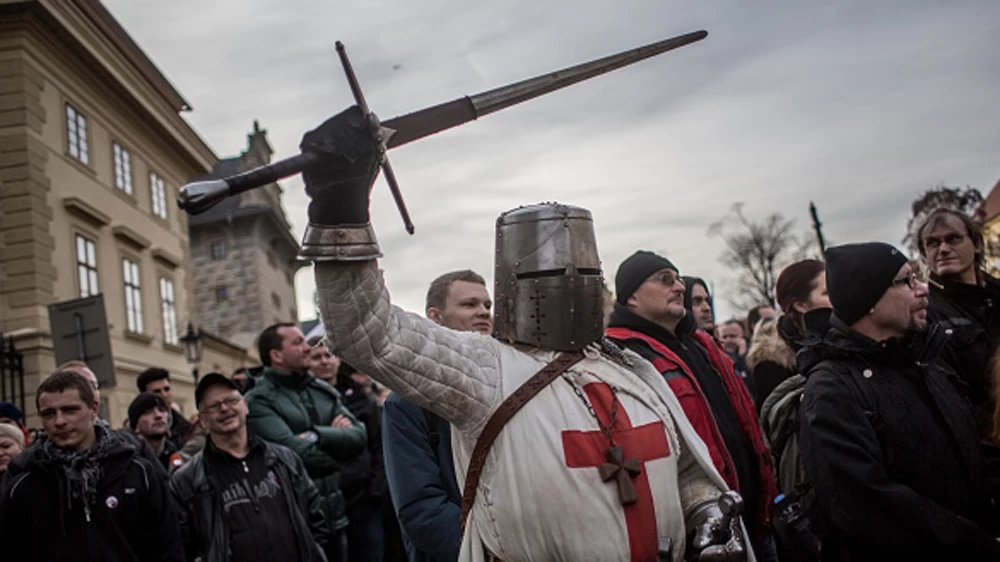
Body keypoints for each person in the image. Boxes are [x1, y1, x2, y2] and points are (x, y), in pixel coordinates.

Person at [299, 107, 748, 562]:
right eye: (553, 271)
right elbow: (367, 333)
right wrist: (343, 205)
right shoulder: (483, 368)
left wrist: (705, 513)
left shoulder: (632, 369)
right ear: (516, 282)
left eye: (587, 271)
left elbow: (688, 471)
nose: (572, 283)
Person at [797, 242, 1000, 561]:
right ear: (869, 301)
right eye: (906, 281)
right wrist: (973, 544)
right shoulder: (830, 391)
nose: (922, 289)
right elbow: (867, 505)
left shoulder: (925, 360)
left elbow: (969, 447)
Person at [606, 251, 777, 560]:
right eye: (665, 280)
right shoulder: (624, 356)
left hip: (752, 514)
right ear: (631, 296)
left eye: (678, 279)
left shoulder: (700, 343)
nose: (679, 288)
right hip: (702, 530)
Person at [0, 371, 183, 562]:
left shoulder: (138, 473)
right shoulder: (23, 485)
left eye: (70, 410)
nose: (59, 421)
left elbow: (168, 549)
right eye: (49, 413)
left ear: (93, 409)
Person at [383, 270, 491, 562]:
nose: (483, 313)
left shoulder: (507, 384)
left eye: (487, 306)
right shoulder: (406, 401)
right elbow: (421, 508)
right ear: (435, 316)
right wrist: (486, 552)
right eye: (469, 305)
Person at [171, 373, 330, 562]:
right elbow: (180, 544)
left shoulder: (285, 460)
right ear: (203, 420)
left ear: (245, 406)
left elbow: (315, 518)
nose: (224, 408)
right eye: (214, 406)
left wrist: (314, 551)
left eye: (231, 400)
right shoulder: (188, 480)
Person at [246, 322, 368, 562]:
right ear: (276, 355)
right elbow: (293, 455)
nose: (307, 348)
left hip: (335, 517)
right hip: (294, 523)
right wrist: (339, 452)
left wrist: (316, 435)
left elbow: (359, 437)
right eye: (297, 342)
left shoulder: (322, 390)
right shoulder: (258, 400)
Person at [917, 208, 1000, 435]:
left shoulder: (996, 293)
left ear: (977, 244)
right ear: (925, 255)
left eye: (953, 238)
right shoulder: (927, 315)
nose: (943, 249)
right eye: (932, 243)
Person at [747, 259, 830, 410]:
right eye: (827, 293)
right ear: (800, 305)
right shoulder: (772, 362)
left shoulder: (846, 337)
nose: (836, 298)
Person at [335, 361, 387, 562]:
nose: (324, 361)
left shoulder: (363, 400)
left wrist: (375, 488)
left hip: (366, 497)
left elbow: (377, 445)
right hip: (335, 495)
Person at [137, 368, 194, 448]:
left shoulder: (189, 430)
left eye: (167, 389)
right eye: (157, 391)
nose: (164, 395)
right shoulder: (135, 432)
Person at [128, 392, 185, 472]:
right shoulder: (130, 463)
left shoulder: (179, 459)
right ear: (136, 426)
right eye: (148, 412)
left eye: (162, 410)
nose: (158, 415)